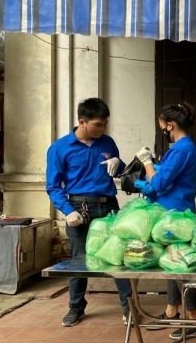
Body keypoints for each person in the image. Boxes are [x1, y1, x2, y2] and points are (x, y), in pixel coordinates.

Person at [46, 98, 132, 327]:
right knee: (79, 259)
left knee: (118, 256)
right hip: (79, 208)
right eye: (97, 125)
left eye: (104, 124)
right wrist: (67, 210)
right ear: (82, 122)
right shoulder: (60, 148)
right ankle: (76, 306)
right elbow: (53, 186)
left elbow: (121, 172)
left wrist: (119, 163)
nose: (102, 129)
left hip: (108, 206)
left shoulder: (107, 143)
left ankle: (129, 306)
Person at [135, 101, 196, 340]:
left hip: (172, 218)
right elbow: (195, 180)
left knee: (180, 268)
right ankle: (172, 310)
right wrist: (155, 170)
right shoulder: (193, 150)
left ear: (170, 125)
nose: (162, 130)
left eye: (162, 126)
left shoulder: (180, 150)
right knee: (170, 263)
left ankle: (195, 318)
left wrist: (146, 163)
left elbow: (160, 183)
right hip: (182, 212)